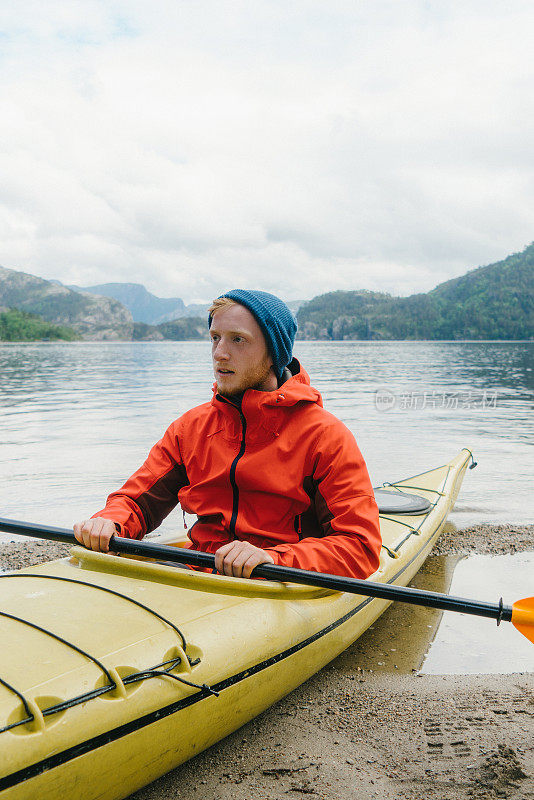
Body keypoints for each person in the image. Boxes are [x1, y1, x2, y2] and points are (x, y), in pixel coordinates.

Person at [74, 289, 381, 580]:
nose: (220, 353)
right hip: (201, 569)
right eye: (215, 338)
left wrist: (275, 559)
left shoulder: (325, 437)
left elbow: (360, 547)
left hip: (278, 577)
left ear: (274, 353)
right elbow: (138, 502)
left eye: (238, 340)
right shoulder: (191, 429)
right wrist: (110, 521)